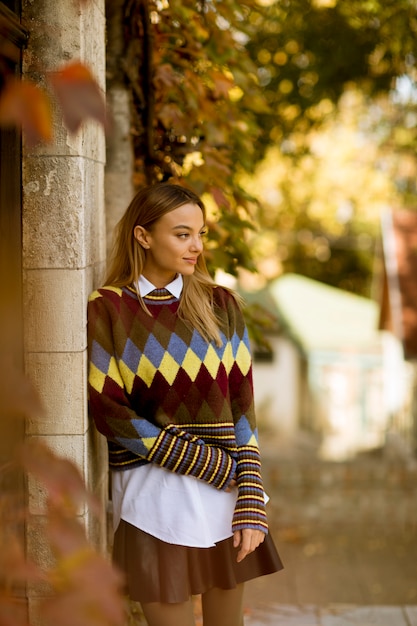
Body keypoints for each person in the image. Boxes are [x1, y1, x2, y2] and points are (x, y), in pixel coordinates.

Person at [87, 182, 283, 626]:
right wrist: (207, 463)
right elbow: (111, 414)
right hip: (153, 499)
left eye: (200, 234)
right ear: (143, 236)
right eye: (182, 234)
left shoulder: (221, 305)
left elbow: (242, 407)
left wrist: (250, 491)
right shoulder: (109, 310)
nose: (196, 246)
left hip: (224, 497)